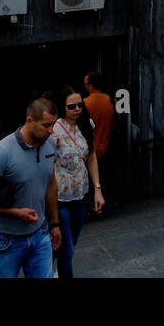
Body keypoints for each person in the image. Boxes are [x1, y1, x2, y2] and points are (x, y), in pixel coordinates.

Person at [0, 97, 63, 278]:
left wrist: (55, 223)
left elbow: (51, 185)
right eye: (46, 125)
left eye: (53, 124)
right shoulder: (2, 152)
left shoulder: (50, 144)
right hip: (5, 239)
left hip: (40, 234)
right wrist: (16, 213)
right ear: (30, 121)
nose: (51, 131)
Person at [51, 85, 105, 278]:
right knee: (67, 250)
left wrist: (97, 190)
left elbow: (91, 156)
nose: (77, 109)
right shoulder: (54, 130)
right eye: (71, 106)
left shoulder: (86, 124)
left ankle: (45, 268)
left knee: (70, 242)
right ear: (62, 107)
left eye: (79, 105)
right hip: (60, 199)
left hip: (81, 194)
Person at [82, 72, 115, 209]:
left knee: (89, 182)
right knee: (103, 179)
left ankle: (93, 207)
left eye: (85, 83)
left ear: (90, 86)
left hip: (90, 150)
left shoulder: (85, 104)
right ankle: (103, 204)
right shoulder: (111, 101)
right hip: (106, 146)